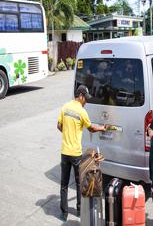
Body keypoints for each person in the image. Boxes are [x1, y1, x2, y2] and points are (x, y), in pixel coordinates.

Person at [57, 85, 107, 221]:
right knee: (80, 183)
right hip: (76, 153)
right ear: (80, 96)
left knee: (64, 184)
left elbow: (59, 126)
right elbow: (91, 129)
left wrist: (67, 134)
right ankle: (79, 210)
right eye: (85, 98)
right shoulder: (82, 112)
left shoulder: (65, 107)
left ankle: (64, 212)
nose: (86, 101)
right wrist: (102, 128)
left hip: (64, 152)